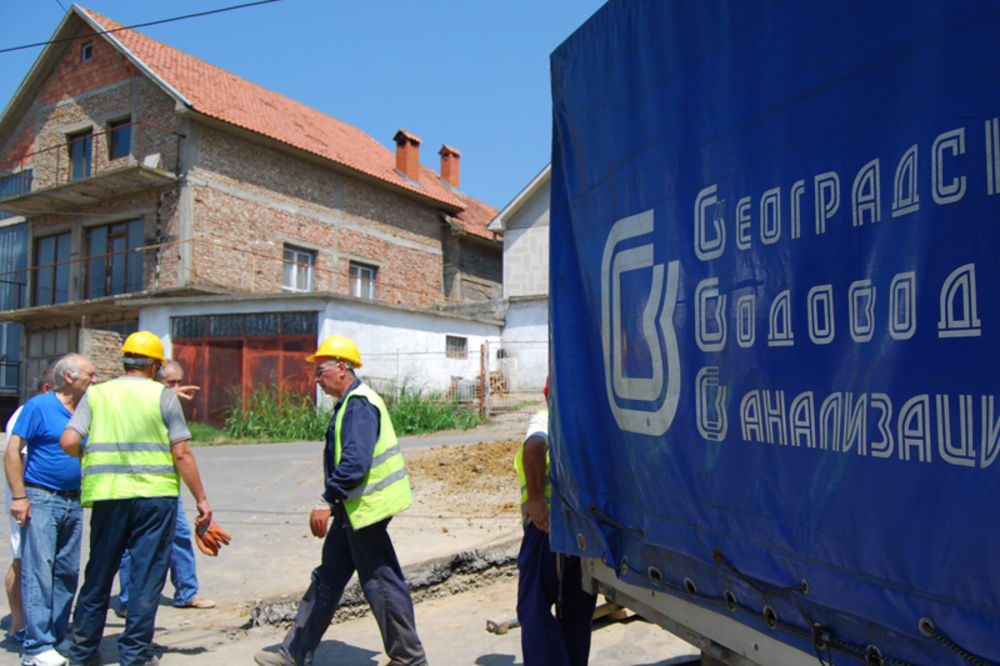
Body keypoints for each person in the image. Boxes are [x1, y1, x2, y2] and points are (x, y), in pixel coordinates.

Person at [254, 335, 426, 666]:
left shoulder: (359, 404)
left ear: (342, 369)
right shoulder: (352, 402)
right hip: (353, 509)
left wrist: (326, 499)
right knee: (328, 579)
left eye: (320, 372)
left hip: (366, 510)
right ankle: (295, 653)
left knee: (381, 583)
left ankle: (409, 658)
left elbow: (355, 462)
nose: (315, 379)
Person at [61, 331, 213, 666]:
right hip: (154, 499)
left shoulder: (97, 394)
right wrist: (201, 500)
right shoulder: (164, 396)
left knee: (99, 573)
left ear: (124, 360)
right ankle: (135, 655)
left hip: (108, 496)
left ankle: (83, 653)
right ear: (157, 365)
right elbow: (182, 453)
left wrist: (90, 454)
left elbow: (69, 441)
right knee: (147, 576)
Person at [5, 355, 97, 666]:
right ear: (70, 377)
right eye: (91, 374)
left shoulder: (87, 409)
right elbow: (12, 450)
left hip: (74, 500)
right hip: (42, 498)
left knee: (67, 573)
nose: (95, 380)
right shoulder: (38, 407)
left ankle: (56, 638)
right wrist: (19, 497)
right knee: (39, 571)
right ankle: (35, 646)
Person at [116, 360, 214, 615]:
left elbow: (181, 451)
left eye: (179, 382)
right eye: (171, 383)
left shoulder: (167, 403)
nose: (178, 388)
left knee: (179, 536)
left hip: (165, 486)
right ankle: (127, 600)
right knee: (131, 545)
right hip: (132, 486)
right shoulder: (136, 400)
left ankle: (187, 592)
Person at [515, 378, 596, 666]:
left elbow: (535, 447)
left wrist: (535, 499)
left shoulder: (545, 418)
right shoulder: (589, 424)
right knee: (577, 608)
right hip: (586, 531)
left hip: (546, 528)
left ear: (547, 394)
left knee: (533, 607)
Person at [3, 368, 56, 647]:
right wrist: (21, 498)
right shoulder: (27, 412)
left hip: (44, 499)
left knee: (43, 563)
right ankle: (18, 625)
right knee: (21, 560)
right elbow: (19, 459)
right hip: (28, 499)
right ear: (47, 388)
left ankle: (39, 622)